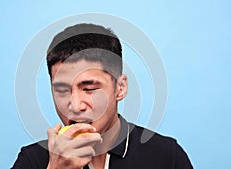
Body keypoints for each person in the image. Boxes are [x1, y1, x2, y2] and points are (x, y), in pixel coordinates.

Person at [11, 23, 193, 169]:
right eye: (62, 90)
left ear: (120, 88)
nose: (75, 105)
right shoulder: (33, 160)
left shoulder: (167, 156)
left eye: (89, 88)